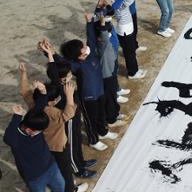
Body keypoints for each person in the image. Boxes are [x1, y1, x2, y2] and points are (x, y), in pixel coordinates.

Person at [18, 65, 88, 192]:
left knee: (54, 169)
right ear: (51, 102)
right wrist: (70, 96)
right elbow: (68, 114)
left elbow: (24, 92)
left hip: (43, 146)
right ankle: (71, 189)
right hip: (58, 147)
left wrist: (23, 74)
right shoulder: (53, 112)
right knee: (65, 171)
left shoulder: (34, 106)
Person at [39, 41, 98, 179]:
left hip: (75, 116)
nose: (72, 73)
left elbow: (56, 69)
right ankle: (78, 170)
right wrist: (49, 55)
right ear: (62, 78)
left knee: (77, 140)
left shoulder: (64, 81)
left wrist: (50, 53)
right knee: (71, 145)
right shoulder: (58, 87)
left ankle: (81, 161)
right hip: (68, 119)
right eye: (69, 73)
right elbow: (54, 73)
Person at [61, 13, 119, 151]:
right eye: (82, 48)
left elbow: (91, 38)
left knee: (101, 115)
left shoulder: (91, 54)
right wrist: (49, 53)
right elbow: (61, 62)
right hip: (88, 98)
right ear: (77, 56)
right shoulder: (76, 66)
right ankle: (93, 139)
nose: (85, 47)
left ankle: (103, 132)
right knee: (90, 120)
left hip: (100, 92)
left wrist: (88, 22)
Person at [4, 105, 65, 192]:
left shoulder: (35, 122)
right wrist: (17, 116)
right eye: (39, 131)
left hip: (52, 167)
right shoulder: (16, 139)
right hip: (34, 178)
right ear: (29, 130)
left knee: (61, 189)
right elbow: (7, 138)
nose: (41, 132)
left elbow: (39, 105)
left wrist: (43, 92)